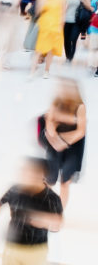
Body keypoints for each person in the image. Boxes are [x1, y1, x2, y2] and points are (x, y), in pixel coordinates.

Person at [39, 79, 86, 210]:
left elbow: (81, 132)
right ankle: (45, 207)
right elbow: (49, 126)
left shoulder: (80, 106)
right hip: (55, 146)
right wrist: (57, 141)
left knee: (65, 181)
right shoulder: (56, 102)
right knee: (49, 180)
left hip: (73, 149)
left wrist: (62, 141)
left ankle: (58, 212)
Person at [28, 0, 66, 79]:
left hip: (55, 25)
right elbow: (38, 11)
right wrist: (42, 3)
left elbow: (63, 13)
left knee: (51, 51)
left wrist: (60, 26)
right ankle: (32, 71)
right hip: (44, 25)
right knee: (39, 49)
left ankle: (46, 71)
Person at [63, 0, 91, 64]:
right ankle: (67, 56)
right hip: (66, 20)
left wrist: (83, 0)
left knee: (73, 39)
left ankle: (70, 58)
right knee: (66, 40)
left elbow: (91, 8)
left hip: (77, 21)